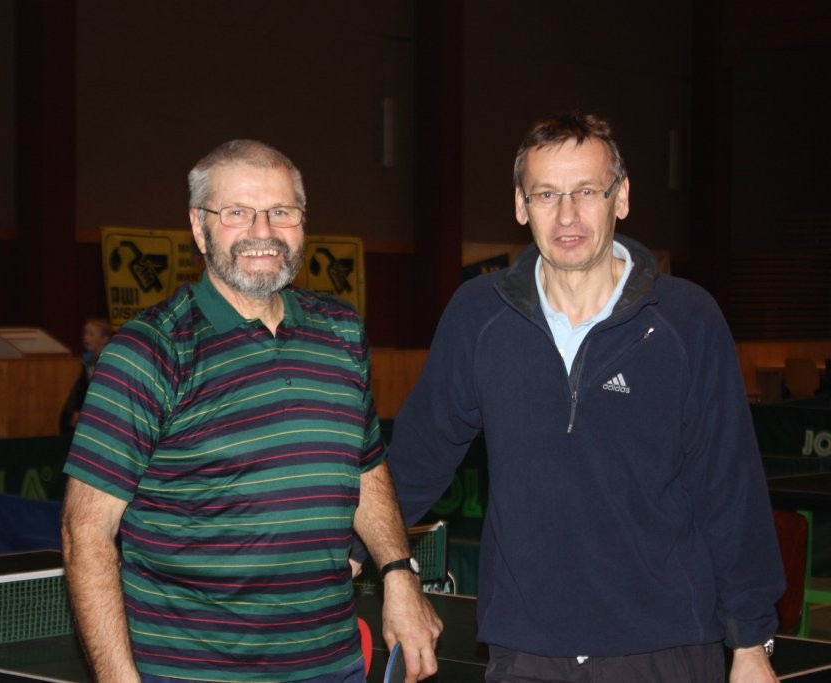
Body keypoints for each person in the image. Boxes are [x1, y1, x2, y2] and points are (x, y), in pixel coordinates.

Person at [387, 113, 784, 683]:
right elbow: (416, 460)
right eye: (546, 194)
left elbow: (730, 485)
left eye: (587, 192)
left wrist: (751, 640)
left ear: (621, 197)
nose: (567, 215)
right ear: (521, 206)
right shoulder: (478, 316)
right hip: (526, 650)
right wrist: (346, 555)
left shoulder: (687, 319)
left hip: (663, 645)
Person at [61, 139, 442, 683]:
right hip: (192, 672)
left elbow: (364, 467)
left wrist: (398, 571)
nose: (263, 232)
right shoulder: (149, 351)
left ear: (302, 222)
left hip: (330, 665)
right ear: (200, 227)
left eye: (281, 212)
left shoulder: (341, 331)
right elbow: (86, 533)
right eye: (237, 213)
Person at [59, 318, 113, 435]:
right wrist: (77, 410)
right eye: (85, 333)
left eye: (91, 334)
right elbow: (82, 388)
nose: (86, 337)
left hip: (105, 411)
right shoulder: (87, 360)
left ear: (104, 339)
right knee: (67, 416)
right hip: (90, 408)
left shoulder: (109, 361)